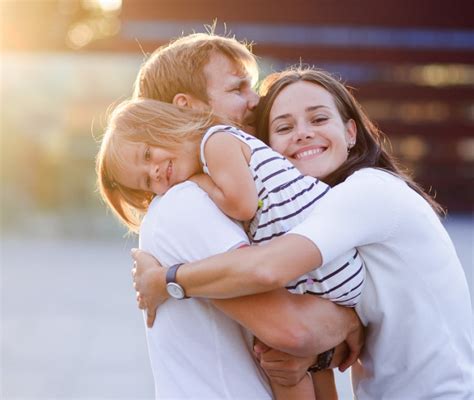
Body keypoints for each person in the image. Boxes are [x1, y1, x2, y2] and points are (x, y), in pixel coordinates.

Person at [132, 68, 474, 399]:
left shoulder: (368, 190)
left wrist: (165, 281)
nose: (303, 133)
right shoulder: (312, 210)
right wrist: (334, 339)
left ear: (351, 133)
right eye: (283, 127)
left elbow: (268, 269)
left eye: (319, 119)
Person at [99, 32, 363, 399]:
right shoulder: (188, 202)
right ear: (188, 106)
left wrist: (342, 328)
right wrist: (350, 320)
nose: (256, 102)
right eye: (239, 89)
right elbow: (294, 330)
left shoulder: (222, 176)